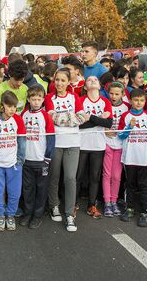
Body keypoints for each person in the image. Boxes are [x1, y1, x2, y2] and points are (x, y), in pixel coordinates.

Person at [45, 68, 81, 232]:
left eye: (63, 80)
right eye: (57, 80)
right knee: (54, 176)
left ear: (68, 82)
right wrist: (71, 118)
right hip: (56, 142)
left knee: (70, 178)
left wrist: (67, 119)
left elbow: (81, 118)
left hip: (73, 142)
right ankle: (54, 205)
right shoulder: (48, 98)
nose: (59, 83)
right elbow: (53, 118)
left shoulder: (75, 97)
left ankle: (69, 213)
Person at [0, 91, 26, 232]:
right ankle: (0, 215)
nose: (12, 110)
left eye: (14, 107)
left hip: (13, 163)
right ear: (2, 106)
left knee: (14, 192)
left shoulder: (18, 120)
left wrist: (20, 160)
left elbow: (22, 141)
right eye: (9, 106)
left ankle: (10, 215)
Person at [118, 88, 147, 227]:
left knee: (143, 185)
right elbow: (120, 135)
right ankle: (129, 208)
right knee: (130, 184)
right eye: (136, 100)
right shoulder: (125, 116)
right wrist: (129, 127)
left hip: (143, 158)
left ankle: (144, 212)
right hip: (129, 158)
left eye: (141, 100)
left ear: (145, 101)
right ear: (130, 101)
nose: (139, 103)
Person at [76, 76, 113, 219]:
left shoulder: (105, 102)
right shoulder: (80, 100)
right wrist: (99, 119)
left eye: (95, 80)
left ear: (99, 86)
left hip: (98, 145)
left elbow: (109, 123)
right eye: (89, 80)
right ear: (85, 87)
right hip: (81, 143)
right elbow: (79, 123)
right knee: (78, 176)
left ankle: (92, 204)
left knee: (94, 177)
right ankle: (74, 204)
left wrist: (89, 117)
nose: (92, 81)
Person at [20, 85, 55, 229]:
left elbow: (51, 138)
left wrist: (48, 157)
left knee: (41, 189)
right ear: (28, 99)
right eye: (33, 99)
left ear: (43, 100)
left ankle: (38, 215)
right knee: (27, 188)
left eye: (39, 99)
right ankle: (28, 213)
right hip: (26, 159)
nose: (36, 102)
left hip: (41, 160)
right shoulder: (23, 114)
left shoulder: (46, 116)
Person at [103, 82, 130, 217]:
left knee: (117, 176)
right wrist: (105, 130)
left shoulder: (127, 107)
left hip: (120, 144)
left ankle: (114, 201)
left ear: (123, 94)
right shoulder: (104, 105)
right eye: (111, 93)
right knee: (107, 175)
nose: (113, 96)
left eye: (117, 94)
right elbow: (99, 122)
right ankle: (107, 202)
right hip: (107, 143)